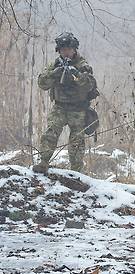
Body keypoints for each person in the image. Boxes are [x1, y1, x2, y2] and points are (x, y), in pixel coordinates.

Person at [35, 32, 98, 174]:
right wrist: (53, 74)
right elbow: (42, 84)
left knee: (77, 141)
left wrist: (77, 74)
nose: (66, 53)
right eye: (63, 50)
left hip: (78, 109)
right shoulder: (55, 64)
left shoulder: (82, 65)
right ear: (59, 50)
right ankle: (43, 163)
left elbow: (90, 85)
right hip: (60, 107)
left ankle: (76, 172)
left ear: (74, 49)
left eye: (69, 50)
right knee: (50, 133)